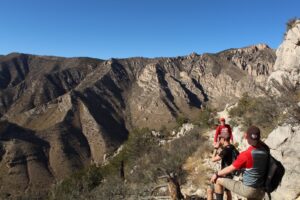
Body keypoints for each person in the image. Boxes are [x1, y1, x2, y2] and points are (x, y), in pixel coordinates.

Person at [210, 126, 269, 200]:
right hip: (261, 190)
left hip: (248, 189)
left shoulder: (246, 154)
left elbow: (230, 168)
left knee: (218, 180)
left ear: (245, 136)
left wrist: (216, 174)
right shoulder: (265, 151)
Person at [207, 132, 239, 200]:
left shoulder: (226, 150)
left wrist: (215, 148)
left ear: (223, 139)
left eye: (220, 139)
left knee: (209, 190)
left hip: (224, 174)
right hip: (231, 175)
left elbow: (213, 159)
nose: (219, 140)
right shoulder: (233, 148)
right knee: (227, 192)